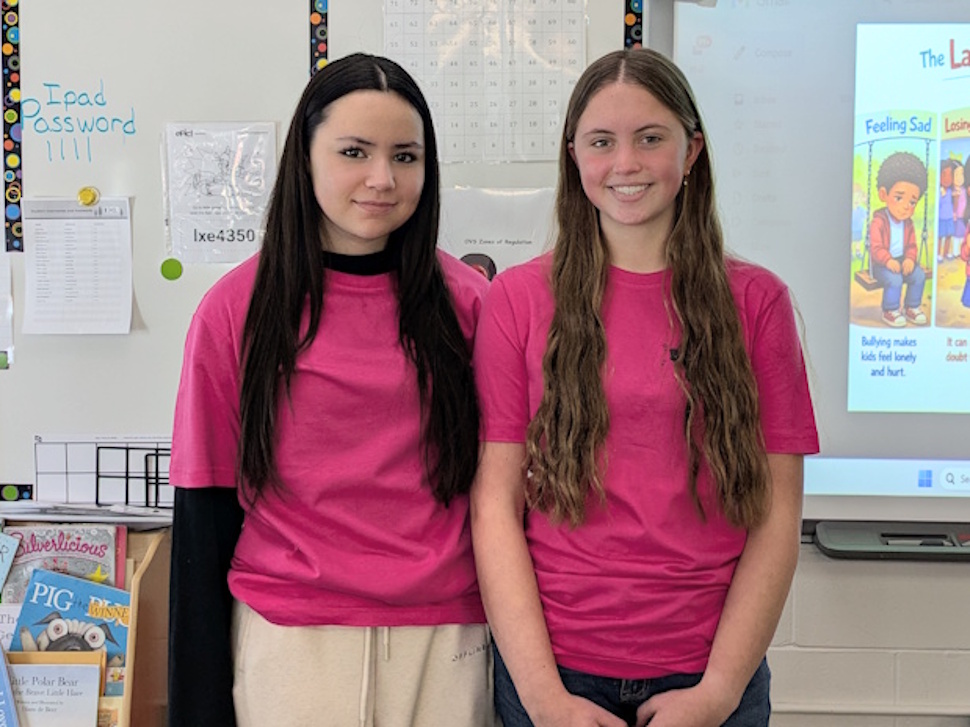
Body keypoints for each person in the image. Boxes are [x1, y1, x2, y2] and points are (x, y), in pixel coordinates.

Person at [471, 48, 819, 727]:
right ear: (574, 155)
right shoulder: (515, 300)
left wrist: (718, 691)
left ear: (691, 152)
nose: (624, 164)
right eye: (601, 142)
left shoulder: (758, 302)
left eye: (650, 138)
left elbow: (777, 514)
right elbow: (494, 506)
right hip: (556, 675)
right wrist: (543, 696)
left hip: (710, 674)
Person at [168, 53, 492, 727]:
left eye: (405, 156)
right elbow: (205, 511)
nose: (382, 178)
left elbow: (511, 494)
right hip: (290, 645)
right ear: (304, 157)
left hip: (447, 640)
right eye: (354, 151)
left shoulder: (472, 305)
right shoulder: (236, 310)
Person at [868, 151, 928, 328]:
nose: (905, 207)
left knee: (918, 275)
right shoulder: (879, 221)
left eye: (912, 202)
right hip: (881, 264)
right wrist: (887, 260)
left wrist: (910, 259)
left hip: (902, 260)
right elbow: (876, 247)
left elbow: (912, 245)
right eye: (899, 198)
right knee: (894, 279)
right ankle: (891, 310)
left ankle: (912, 306)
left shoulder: (908, 224)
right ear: (883, 194)